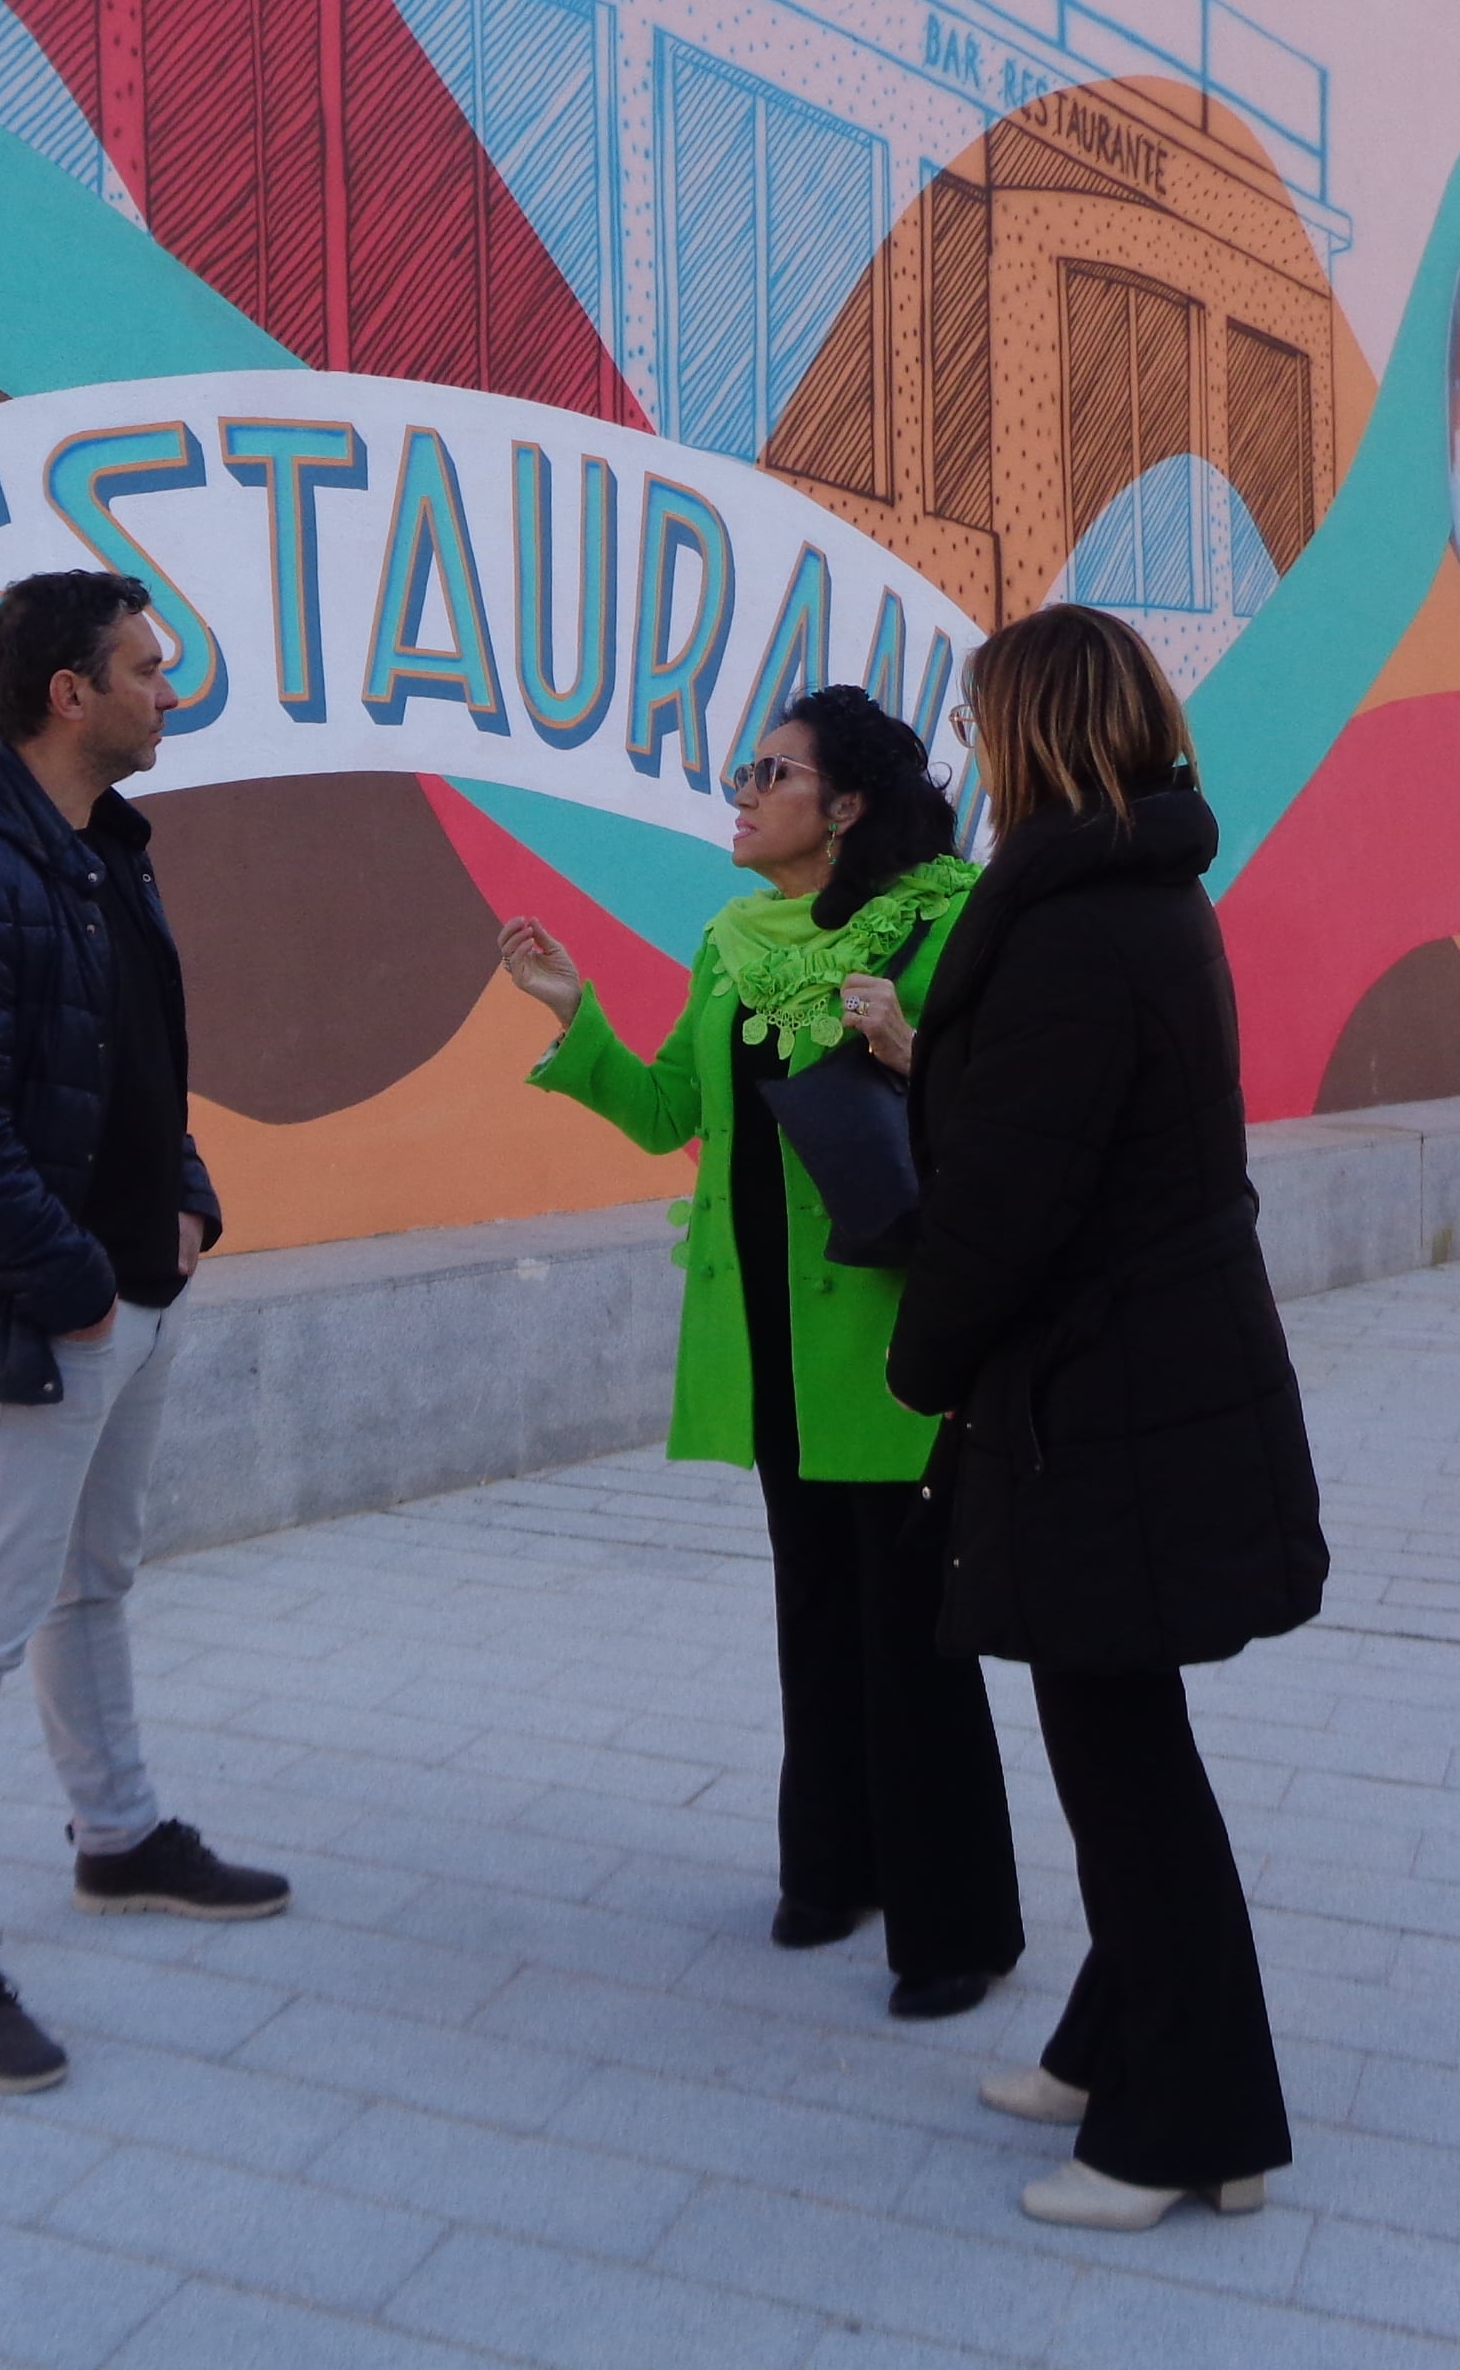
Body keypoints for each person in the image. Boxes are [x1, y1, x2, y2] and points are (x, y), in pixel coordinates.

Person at [0, 569, 289, 2095]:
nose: (171, 691)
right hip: (50, 1303)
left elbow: (140, 1053)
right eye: (148, 669)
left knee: (95, 1580)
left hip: (134, 1285)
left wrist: (191, 1194)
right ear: (69, 693)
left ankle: (118, 1835)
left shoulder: (100, 847)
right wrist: (75, 1280)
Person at [888, 604, 1327, 2231]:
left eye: (982, 716)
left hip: (1111, 1396)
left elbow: (1013, 1196)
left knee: (1121, 1749)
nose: (966, 745)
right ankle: (1109, 2039)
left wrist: (921, 1357)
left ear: (1039, 732)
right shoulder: (1132, 896)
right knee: (1112, 1734)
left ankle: (1189, 2126)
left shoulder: (1081, 928)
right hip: (1130, 1378)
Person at [496, 684, 1024, 2018]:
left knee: (913, 1634)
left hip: (897, 1340)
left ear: (843, 806)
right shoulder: (732, 940)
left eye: (768, 772)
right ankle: (833, 1866)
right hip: (773, 1345)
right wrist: (574, 1015)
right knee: (816, 1614)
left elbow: (1009, 1112)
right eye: (745, 770)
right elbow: (675, 1106)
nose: (739, 791)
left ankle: (956, 1925)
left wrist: (908, 1053)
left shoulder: (948, 922)